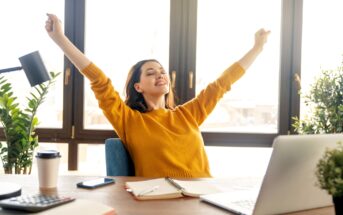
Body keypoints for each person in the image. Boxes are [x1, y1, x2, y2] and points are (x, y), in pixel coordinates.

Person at [45, 14, 270, 178]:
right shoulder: (129, 120)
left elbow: (222, 83)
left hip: (203, 196)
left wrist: (257, 48)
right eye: (151, 73)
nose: (160, 75)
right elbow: (99, 81)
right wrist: (60, 39)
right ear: (138, 87)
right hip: (159, 202)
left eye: (162, 71)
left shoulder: (188, 114)